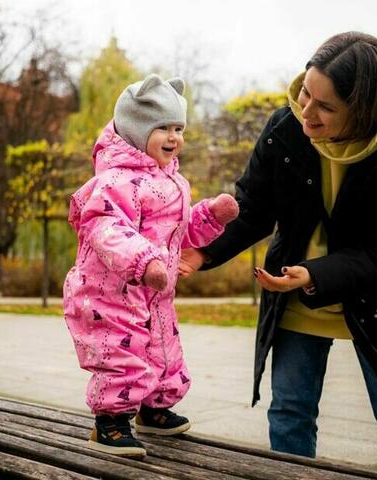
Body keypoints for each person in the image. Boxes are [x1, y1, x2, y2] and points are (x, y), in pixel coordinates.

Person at [179, 32, 377, 479]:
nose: (307, 111)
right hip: (295, 294)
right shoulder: (286, 129)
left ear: (361, 112)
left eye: (325, 107)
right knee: (289, 415)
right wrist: (200, 254)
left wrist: (314, 273)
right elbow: (253, 208)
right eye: (306, 92)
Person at [63, 74, 239, 458]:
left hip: (154, 289)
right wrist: (144, 262)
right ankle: (109, 424)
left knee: (163, 349)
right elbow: (105, 228)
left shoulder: (173, 181)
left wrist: (209, 216)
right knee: (120, 353)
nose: (173, 137)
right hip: (110, 291)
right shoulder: (115, 181)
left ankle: (154, 408)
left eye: (179, 128)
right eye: (162, 128)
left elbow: (178, 232)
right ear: (135, 129)